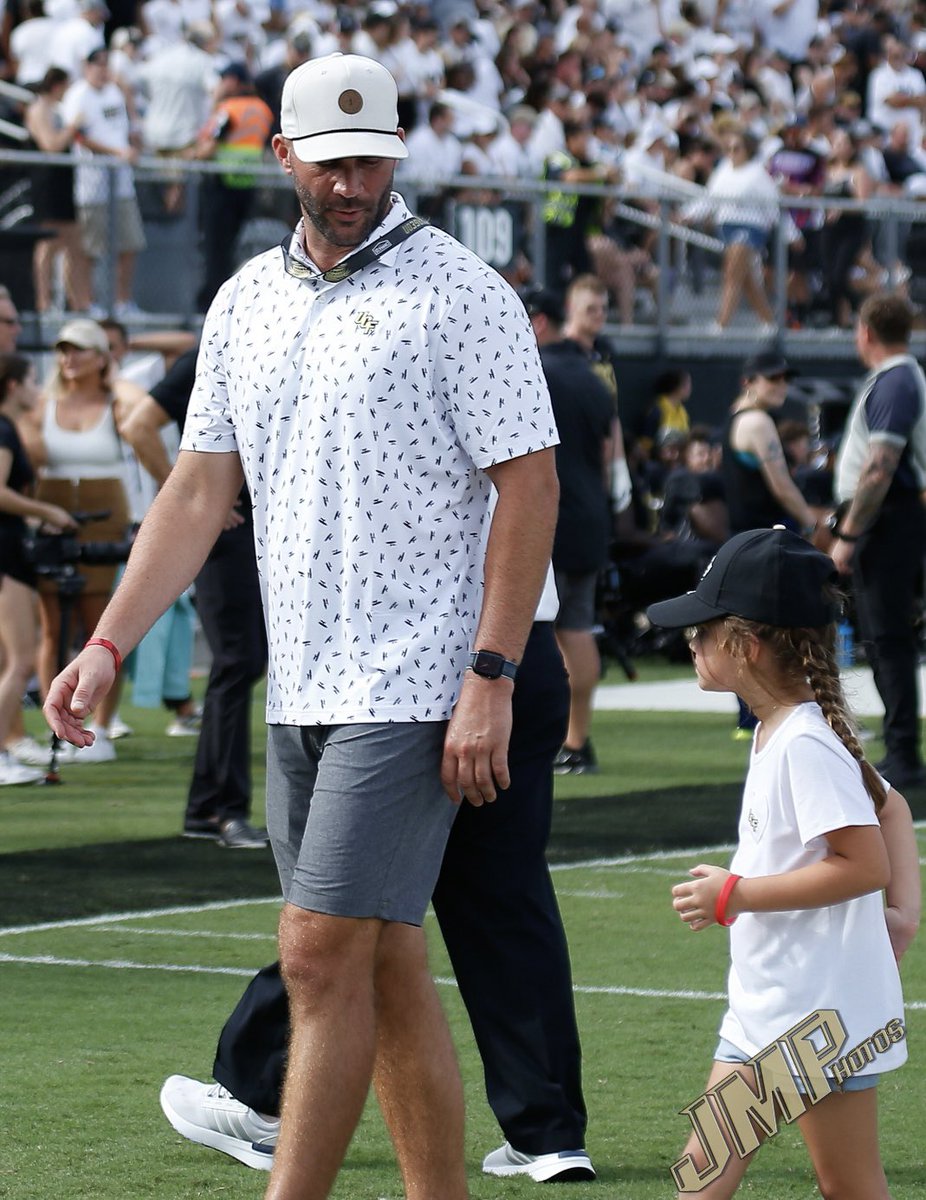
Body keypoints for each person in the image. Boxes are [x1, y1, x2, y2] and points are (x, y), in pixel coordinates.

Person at [44, 51, 560, 1200]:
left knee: (318, 954)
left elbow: (530, 488)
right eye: (329, 162)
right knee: (385, 964)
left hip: (416, 680)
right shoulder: (243, 300)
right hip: (303, 684)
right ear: (280, 155)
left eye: (370, 159)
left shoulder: (463, 292)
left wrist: (489, 673)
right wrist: (107, 643)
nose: (351, 182)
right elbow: (195, 491)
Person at [158, 591, 594, 1182]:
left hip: (408, 662)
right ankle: (547, 1133)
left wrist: (490, 672)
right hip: (493, 652)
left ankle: (259, 1095)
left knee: (347, 923)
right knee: (495, 902)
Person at [647, 526, 918, 1200]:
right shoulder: (785, 731)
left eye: (702, 630)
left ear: (746, 645)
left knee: (847, 1186)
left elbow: (865, 865)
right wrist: (904, 918)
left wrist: (736, 894)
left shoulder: (804, 743)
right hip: (769, 1009)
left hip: (815, 1021)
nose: (691, 643)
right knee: (702, 1176)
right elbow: (893, 809)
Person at [120, 347, 269, 848]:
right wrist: (199, 501)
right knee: (238, 661)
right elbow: (139, 425)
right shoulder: (211, 351)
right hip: (228, 529)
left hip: (256, 525)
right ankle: (220, 809)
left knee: (242, 662)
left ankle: (208, 807)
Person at [22, 318, 144, 762]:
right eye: (63, 350)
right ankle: (55, 727)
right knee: (52, 626)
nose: (68, 358)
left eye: (79, 349)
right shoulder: (42, 403)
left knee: (100, 626)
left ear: (100, 357)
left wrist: (116, 380)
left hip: (104, 515)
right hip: (53, 515)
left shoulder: (119, 401)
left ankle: (102, 727)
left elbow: (140, 413)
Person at [831, 293, 926, 791]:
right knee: (884, 638)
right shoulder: (898, 379)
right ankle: (901, 747)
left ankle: (904, 751)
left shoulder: (895, 381)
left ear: (866, 332)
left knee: (888, 639)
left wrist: (848, 535)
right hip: (889, 517)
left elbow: (879, 468)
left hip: (888, 520)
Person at [527, 282, 613, 776]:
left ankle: (541, 740)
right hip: (590, 514)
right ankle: (577, 740)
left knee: (533, 630)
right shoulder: (593, 378)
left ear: (537, 323)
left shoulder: (533, 370)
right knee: (577, 627)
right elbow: (610, 455)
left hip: (548, 514)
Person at [721, 349, 818, 739]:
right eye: (772, 378)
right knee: (781, 630)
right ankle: (771, 713)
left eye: (785, 379)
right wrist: (813, 521)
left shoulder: (738, 415)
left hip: (746, 539)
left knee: (751, 629)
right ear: (749, 381)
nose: (782, 386)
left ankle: (752, 716)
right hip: (767, 539)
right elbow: (780, 483)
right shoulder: (758, 421)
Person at [0, 354, 77, 784]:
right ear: (13, 385)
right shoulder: (3, 428)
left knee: (9, 660)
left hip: (12, 547)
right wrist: (46, 510)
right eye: (31, 380)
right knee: (20, 660)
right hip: (6, 555)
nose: (37, 388)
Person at [59, 46, 147, 319]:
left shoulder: (114, 92)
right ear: (86, 66)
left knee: (130, 243)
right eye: (97, 64)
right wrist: (117, 153)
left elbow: (126, 128)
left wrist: (131, 146)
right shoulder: (78, 95)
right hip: (92, 184)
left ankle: (123, 302)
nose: (102, 69)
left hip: (121, 182)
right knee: (89, 248)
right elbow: (79, 136)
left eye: (106, 64)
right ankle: (87, 303)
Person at [192, 63, 274, 312]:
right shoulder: (262, 109)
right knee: (234, 248)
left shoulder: (228, 109)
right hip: (247, 185)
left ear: (233, 82)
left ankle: (212, 304)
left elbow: (207, 148)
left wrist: (192, 154)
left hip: (222, 184)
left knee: (216, 250)